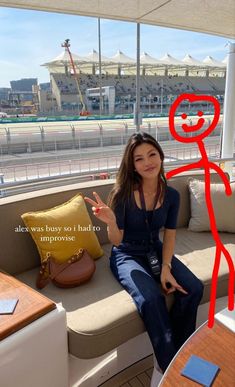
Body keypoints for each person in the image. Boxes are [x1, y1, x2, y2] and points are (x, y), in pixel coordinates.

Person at [84, 132, 204, 374]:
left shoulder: (171, 195)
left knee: (193, 288)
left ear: (160, 155)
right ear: (132, 165)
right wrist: (110, 221)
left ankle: (181, 349)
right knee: (152, 299)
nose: (147, 162)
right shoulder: (122, 195)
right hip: (126, 254)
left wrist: (166, 268)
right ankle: (171, 367)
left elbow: (169, 234)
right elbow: (116, 241)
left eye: (152, 154)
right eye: (139, 159)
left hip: (154, 249)